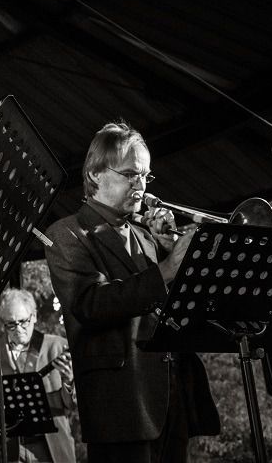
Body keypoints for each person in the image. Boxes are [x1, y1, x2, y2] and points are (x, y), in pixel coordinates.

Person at [42, 122, 220, 463]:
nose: (141, 186)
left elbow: (169, 310)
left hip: (171, 398)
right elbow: (90, 303)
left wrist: (169, 253)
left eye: (146, 176)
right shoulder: (67, 234)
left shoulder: (144, 236)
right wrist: (166, 270)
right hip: (121, 404)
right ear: (95, 174)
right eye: (130, 174)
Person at [0, 288, 76, 463]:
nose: (18, 329)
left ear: (33, 316)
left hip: (51, 445)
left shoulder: (57, 347)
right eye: (11, 324)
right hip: (11, 448)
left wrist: (69, 381)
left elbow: (71, 405)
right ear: (3, 323)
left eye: (23, 321)